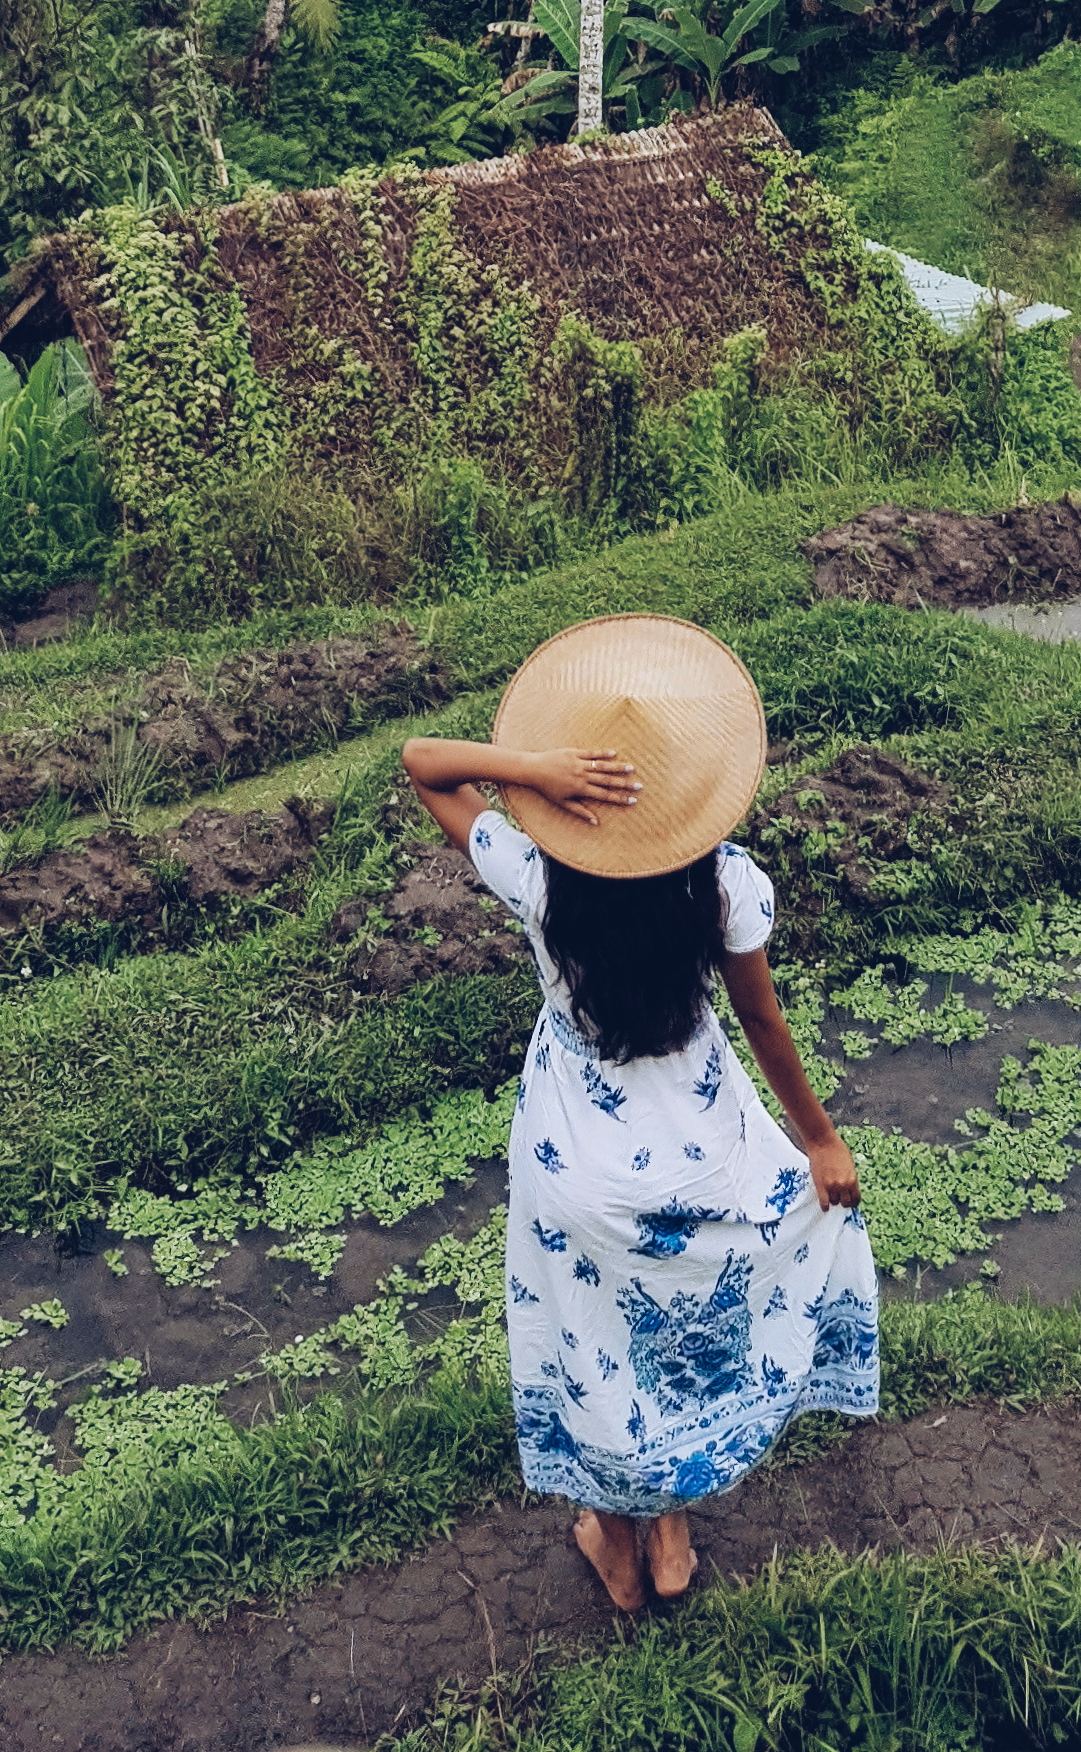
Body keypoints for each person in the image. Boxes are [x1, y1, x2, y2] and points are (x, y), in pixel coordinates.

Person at [402, 615, 875, 1614]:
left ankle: (614, 1539)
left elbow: (425, 762)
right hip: (704, 1154)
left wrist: (532, 766)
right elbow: (758, 1014)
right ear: (684, 802)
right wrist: (819, 1137)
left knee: (594, 1340)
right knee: (686, 1332)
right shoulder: (723, 882)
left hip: (579, 1163)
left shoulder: (538, 878)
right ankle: (668, 1526)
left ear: (581, 805)